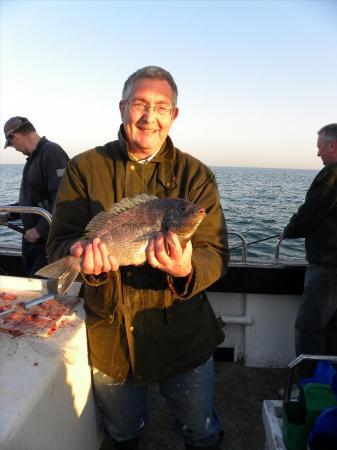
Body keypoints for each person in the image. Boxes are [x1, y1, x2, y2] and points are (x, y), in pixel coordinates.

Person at [46, 66, 229, 450]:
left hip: (184, 334)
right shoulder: (85, 167)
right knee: (123, 433)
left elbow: (215, 253)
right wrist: (87, 266)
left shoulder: (196, 175)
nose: (149, 117)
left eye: (161, 107)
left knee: (200, 430)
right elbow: (60, 243)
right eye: (140, 104)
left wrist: (186, 269)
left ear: (174, 115)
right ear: (122, 108)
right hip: (112, 337)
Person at [282, 123, 337, 379]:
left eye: (320, 147)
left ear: (333, 146)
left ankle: (306, 389)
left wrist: (290, 230)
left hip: (328, 266)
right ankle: (328, 387)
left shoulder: (332, 173)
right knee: (332, 330)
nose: (318, 154)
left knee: (309, 329)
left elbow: (310, 212)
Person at [2, 116, 69, 276]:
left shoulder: (51, 153)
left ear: (15, 136)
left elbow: (64, 198)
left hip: (46, 245)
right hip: (34, 244)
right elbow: (32, 203)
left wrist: (40, 230)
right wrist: (7, 213)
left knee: (39, 293)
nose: (15, 149)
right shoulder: (33, 159)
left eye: (11, 145)